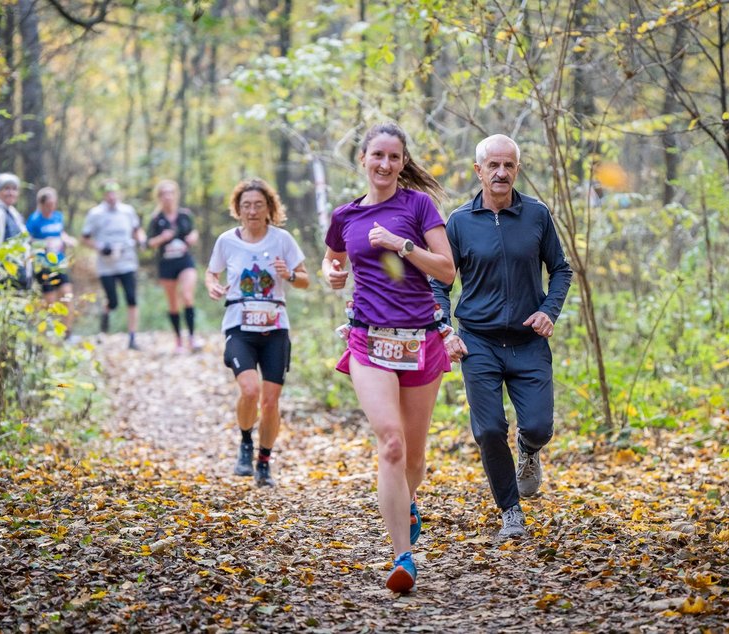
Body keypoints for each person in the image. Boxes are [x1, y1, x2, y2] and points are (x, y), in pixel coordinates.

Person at [322, 122, 455, 594]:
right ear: (363, 159)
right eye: (377, 155)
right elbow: (333, 257)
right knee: (392, 446)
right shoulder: (345, 215)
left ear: (402, 163)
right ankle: (403, 556)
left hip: (419, 341)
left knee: (414, 458)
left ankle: (408, 501)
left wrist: (402, 245)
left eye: (393, 157)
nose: (384, 164)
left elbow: (447, 270)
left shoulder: (418, 206)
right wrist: (332, 274)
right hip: (368, 341)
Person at [431, 134, 572, 540]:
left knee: (540, 426)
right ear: (478, 171)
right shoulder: (458, 222)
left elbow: (561, 269)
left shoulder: (537, 215)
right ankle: (510, 512)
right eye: (493, 165)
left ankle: (529, 453)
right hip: (479, 342)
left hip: (528, 341)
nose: (501, 172)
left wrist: (549, 311)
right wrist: (444, 331)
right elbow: (439, 282)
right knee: (489, 429)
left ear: (517, 169)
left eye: (508, 165)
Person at [205, 178, 309, 489]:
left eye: (258, 205)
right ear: (237, 210)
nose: (252, 211)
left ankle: (264, 460)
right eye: (246, 205)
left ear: (269, 209)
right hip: (239, 324)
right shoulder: (226, 241)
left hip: (275, 326)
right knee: (250, 390)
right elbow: (211, 272)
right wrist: (212, 284)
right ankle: (245, 441)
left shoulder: (282, 240)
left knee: (270, 402)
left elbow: (304, 279)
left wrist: (288, 274)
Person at [81, 180, 146, 350]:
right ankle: (104, 324)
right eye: (108, 193)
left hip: (127, 261)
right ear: (103, 195)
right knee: (113, 301)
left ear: (118, 194)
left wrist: (142, 240)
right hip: (107, 264)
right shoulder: (95, 214)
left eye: (114, 192)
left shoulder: (127, 211)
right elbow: (85, 238)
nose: (111, 196)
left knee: (131, 298)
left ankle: (132, 337)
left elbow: (137, 230)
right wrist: (102, 247)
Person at [146, 179, 202, 353]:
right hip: (166, 263)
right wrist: (162, 238)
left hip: (185, 261)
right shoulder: (156, 219)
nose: (168, 197)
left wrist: (194, 236)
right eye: (164, 194)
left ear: (175, 195)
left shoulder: (185, 214)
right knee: (173, 303)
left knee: (186, 296)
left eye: (171, 193)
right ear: (159, 197)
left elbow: (194, 231)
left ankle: (192, 337)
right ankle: (178, 341)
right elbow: (148, 244)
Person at [27, 187, 77, 338]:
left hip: (60, 264)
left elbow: (60, 233)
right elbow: (27, 241)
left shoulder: (58, 217)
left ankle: (67, 332)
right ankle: (46, 335)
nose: (51, 208)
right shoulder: (34, 220)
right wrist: (43, 243)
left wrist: (66, 239)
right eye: (48, 205)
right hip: (43, 265)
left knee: (68, 296)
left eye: (53, 204)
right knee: (49, 301)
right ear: (41, 204)